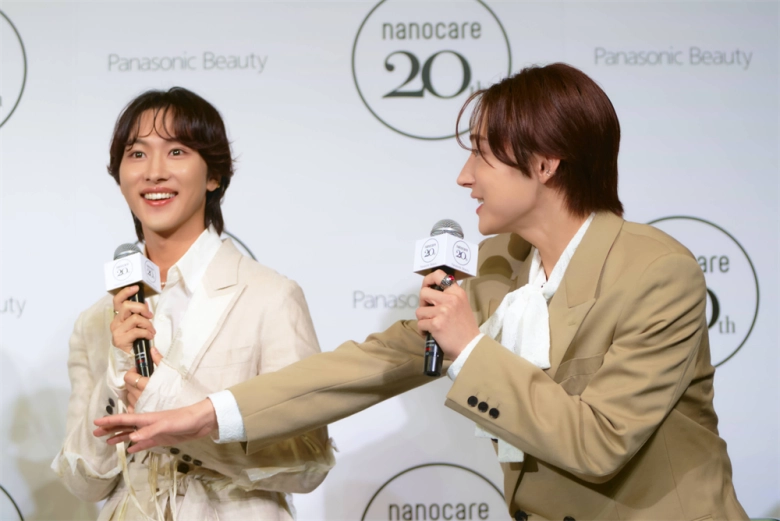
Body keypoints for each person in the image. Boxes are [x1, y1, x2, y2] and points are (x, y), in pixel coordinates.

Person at [95, 65, 748, 520]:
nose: (464, 176)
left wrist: (469, 348)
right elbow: (368, 365)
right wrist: (205, 414)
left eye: (482, 154)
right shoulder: (500, 264)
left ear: (545, 163)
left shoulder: (656, 270)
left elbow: (598, 442)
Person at [52, 87, 334, 521]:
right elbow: (83, 481)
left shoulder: (269, 296)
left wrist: (180, 412)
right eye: (137, 154)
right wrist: (115, 375)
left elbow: (307, 460)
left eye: (177, 151)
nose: (154, 172)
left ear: (213, 175)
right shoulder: (96, 321)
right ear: (120, 176)